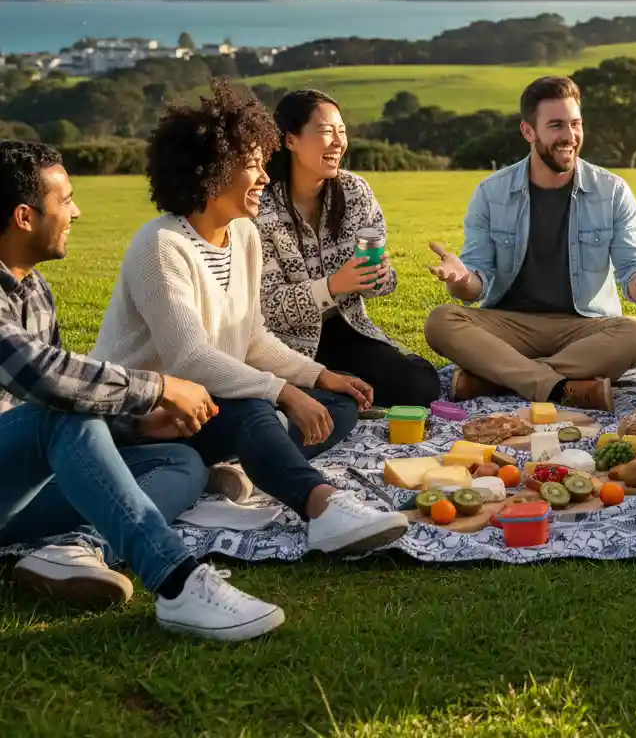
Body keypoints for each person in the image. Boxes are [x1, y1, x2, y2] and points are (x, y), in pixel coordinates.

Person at [91, 82, 409, 556]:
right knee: (260, 408)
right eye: (251, 165)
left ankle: (244, 468)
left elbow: (252, 335)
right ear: (211, 172)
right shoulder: (160, 245)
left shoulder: (242, 234)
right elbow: (189, 358)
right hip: (141, 418)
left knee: (337, 404)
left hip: (204, 407)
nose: (264, 177)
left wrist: (320, 376)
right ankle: (321, 506)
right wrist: (283, 392)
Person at [0, 141, 284, 640]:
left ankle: (73, 548)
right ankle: (177, 581)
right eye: (64, 200)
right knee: (59, 414)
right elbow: (41, 378)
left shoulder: (34, 288)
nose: (76, 212)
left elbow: (57, 397)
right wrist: (155, 390)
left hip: (23, 490)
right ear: (25, 216)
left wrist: (133, 425)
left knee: (179, 460)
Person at [423, 75, 636, 410]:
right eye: (556, 125)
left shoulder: (613, 191)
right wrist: (460, 281)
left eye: (576, 124)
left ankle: (494, 378)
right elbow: (476, 286)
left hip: (584, 327)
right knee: (441, 321)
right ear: (528, 132)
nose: (570, 136)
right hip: (509, 325)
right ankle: (562, 388)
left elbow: (631, 276)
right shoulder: (491, 193)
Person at [259, 89, 440, 408]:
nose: (338, 141)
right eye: (326, 131)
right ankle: (324, 387)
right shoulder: (262, 208)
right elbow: (268, 307)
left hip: (344, 328)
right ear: (290, 139)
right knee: (317, 402)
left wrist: (380, 277)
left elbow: (382, 284)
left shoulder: (355, 192)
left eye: (341, 131)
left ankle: (336, 386)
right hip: (283, 345)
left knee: (420, 385)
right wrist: (332, 286)